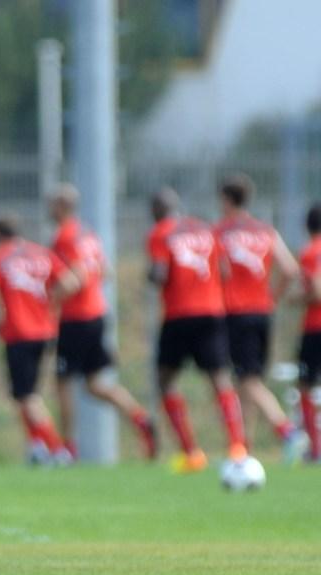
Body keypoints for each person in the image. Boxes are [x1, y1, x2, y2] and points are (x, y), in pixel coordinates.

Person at [48, 185, 158, 459]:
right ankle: (140, 417)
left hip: (76, 319)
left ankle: (67, 448)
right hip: (97, 314)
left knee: (63, 382)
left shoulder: (64, 237)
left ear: (61, 206)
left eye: (52, 204)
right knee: (95, 385)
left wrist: (50, 300)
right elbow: (104, 271)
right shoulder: (89, 235)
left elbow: (75, 278)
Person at [146, 188, 248, 473]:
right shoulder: (207, 230)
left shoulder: (160, 233)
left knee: (165, 379)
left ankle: (191, 451)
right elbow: (225, 271)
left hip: (179, 315)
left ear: (156, 211)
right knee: (220, 378)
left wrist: (151, 275)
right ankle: (237, 446)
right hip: (212, 313)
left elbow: (160, 273)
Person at [213, 174, 304, 461]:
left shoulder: (220, 233)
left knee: (247, 380)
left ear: (226, 200)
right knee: (246, 380)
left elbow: (219, 271)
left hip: (234, 313)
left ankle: (287, 430)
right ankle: (243, 447)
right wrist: (271, 298)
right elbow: (289, 268)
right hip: (262, 312)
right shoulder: (265, 231)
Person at [0, 214, 79, 465]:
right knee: (27, 393)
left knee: (27, 396)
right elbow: (70, 282)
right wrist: (50, 302)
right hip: (46, 332)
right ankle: (37, 446)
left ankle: (57, 450)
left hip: (18, 332)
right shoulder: (41, 253)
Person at [295, 203, 321, 463]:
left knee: (306, 385)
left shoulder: (311, 252)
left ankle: (315, 448)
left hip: (316, 328)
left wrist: (295, 298)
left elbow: (316, 291)